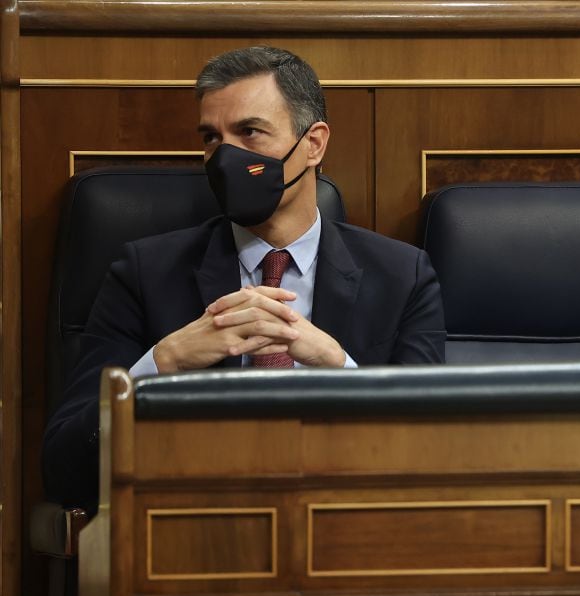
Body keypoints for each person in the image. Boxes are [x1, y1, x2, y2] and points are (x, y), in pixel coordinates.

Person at [43, 46, 446, 513]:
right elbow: (63, 469)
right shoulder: (145, 274)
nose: (225, 158)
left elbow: (434, 459)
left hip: (347, 535)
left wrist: (340, 369)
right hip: (197, 534)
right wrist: (160, 365)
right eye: (212, 138)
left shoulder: (403, 277)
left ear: (313, 144)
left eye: (250, 132)